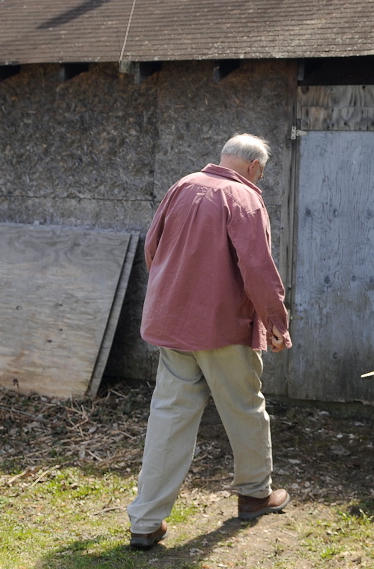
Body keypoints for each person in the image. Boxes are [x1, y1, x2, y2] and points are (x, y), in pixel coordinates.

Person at [127, 133, 293, 550]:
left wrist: (171, 297)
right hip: (222, 327)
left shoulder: (181, 186)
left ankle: (145, 522)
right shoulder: (245, 198)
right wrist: (276, 321)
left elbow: (153, 248)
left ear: (225, 158)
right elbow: (257, 267)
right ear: (254, 167)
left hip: (173, 323)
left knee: (169, 417)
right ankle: (255, 495)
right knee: (244, 408)